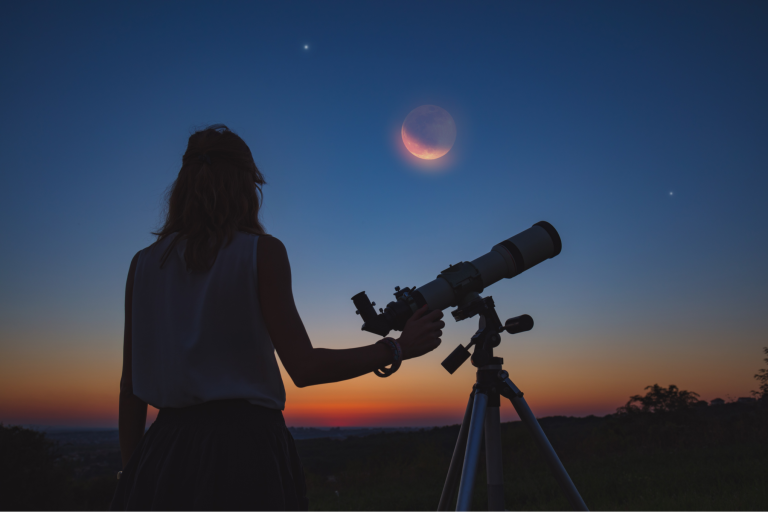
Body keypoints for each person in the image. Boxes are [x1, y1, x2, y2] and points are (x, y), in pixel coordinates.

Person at [110, 125, 445, 511]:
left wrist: (131, 474)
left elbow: (130, 386)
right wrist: (398, 347)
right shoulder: (260, 252)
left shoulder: (144, 263)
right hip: (244, 451)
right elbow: (304, 367)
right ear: (246, 186)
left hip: (164, 450)